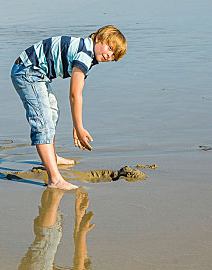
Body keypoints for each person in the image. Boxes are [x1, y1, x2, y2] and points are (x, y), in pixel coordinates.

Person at [11, 25, 127, 190]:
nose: (109, 55)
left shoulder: (87, 52)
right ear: (99, 38)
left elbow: (76, 93)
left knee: (52, 112)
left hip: (36, 73)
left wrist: (75, 124)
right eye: (110, 48)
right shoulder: (85, 54)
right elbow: (74, 94)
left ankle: (52, 156)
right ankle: (55, 179)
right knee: (43, 121)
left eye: (114, 55)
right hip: (27, 71)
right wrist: (79, 128)